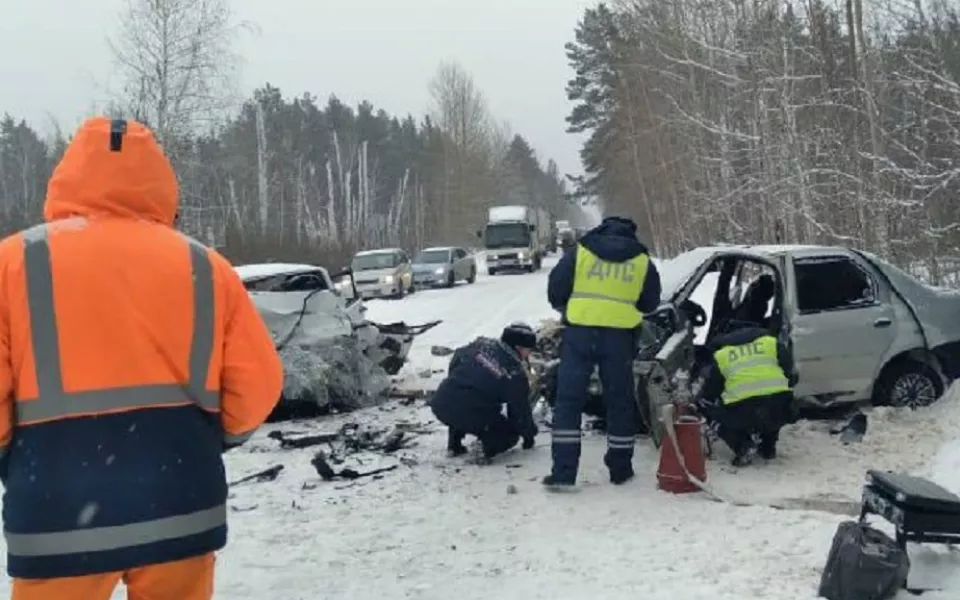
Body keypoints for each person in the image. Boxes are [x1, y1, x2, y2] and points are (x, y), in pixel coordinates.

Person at [0, 118, 284, 599]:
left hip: (57, 510)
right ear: (158, 181)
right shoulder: (204, 265)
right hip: (180, 503)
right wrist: (218, 436)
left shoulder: (14, 264)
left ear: (67, 176)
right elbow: (257, 383)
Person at [544, 216, 661, 488]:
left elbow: (556, 289)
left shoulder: (581, 252)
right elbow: (650, 302)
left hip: (579, 334)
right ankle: (620, 469)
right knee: (619, 402)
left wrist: (570, 309)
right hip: (619, 338)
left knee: (568, 403)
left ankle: (564, 472)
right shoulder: (641, 259)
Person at [430, 322, 539, 461]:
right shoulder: (514, 372)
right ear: (518, 347)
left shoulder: (479, 346)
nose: (529, 354)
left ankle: (454, 444)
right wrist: (529, 434)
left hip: (441, 402)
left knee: (460, 401)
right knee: (509, 434)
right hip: (471, 412)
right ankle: (484, 449)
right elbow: (519, 411)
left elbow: (457, 358)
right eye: (528, 350)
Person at [694, 321, 797, 466]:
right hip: (781, 406)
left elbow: (712, 391)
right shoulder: (770, 343)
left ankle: (742, 445)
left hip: (743, 409)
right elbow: (789, 371)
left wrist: (704, 403)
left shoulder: (722, 355)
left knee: (713, 412)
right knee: (776, 400)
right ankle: (768, 446)